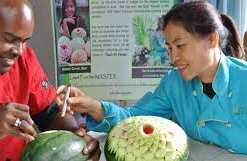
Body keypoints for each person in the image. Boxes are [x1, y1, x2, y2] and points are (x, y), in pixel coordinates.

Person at [56, 1, 247, 154]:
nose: (173, 58)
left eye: (180, 45)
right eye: (170, 48)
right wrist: (92, 105)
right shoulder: (174, 82)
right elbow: (132, 118)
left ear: (212, 39)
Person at [0, 0, 100, 161]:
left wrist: (77, 140)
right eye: (9, 39)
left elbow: (52, 113)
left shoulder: (24, 59)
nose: (20, 51)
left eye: (24, 41)